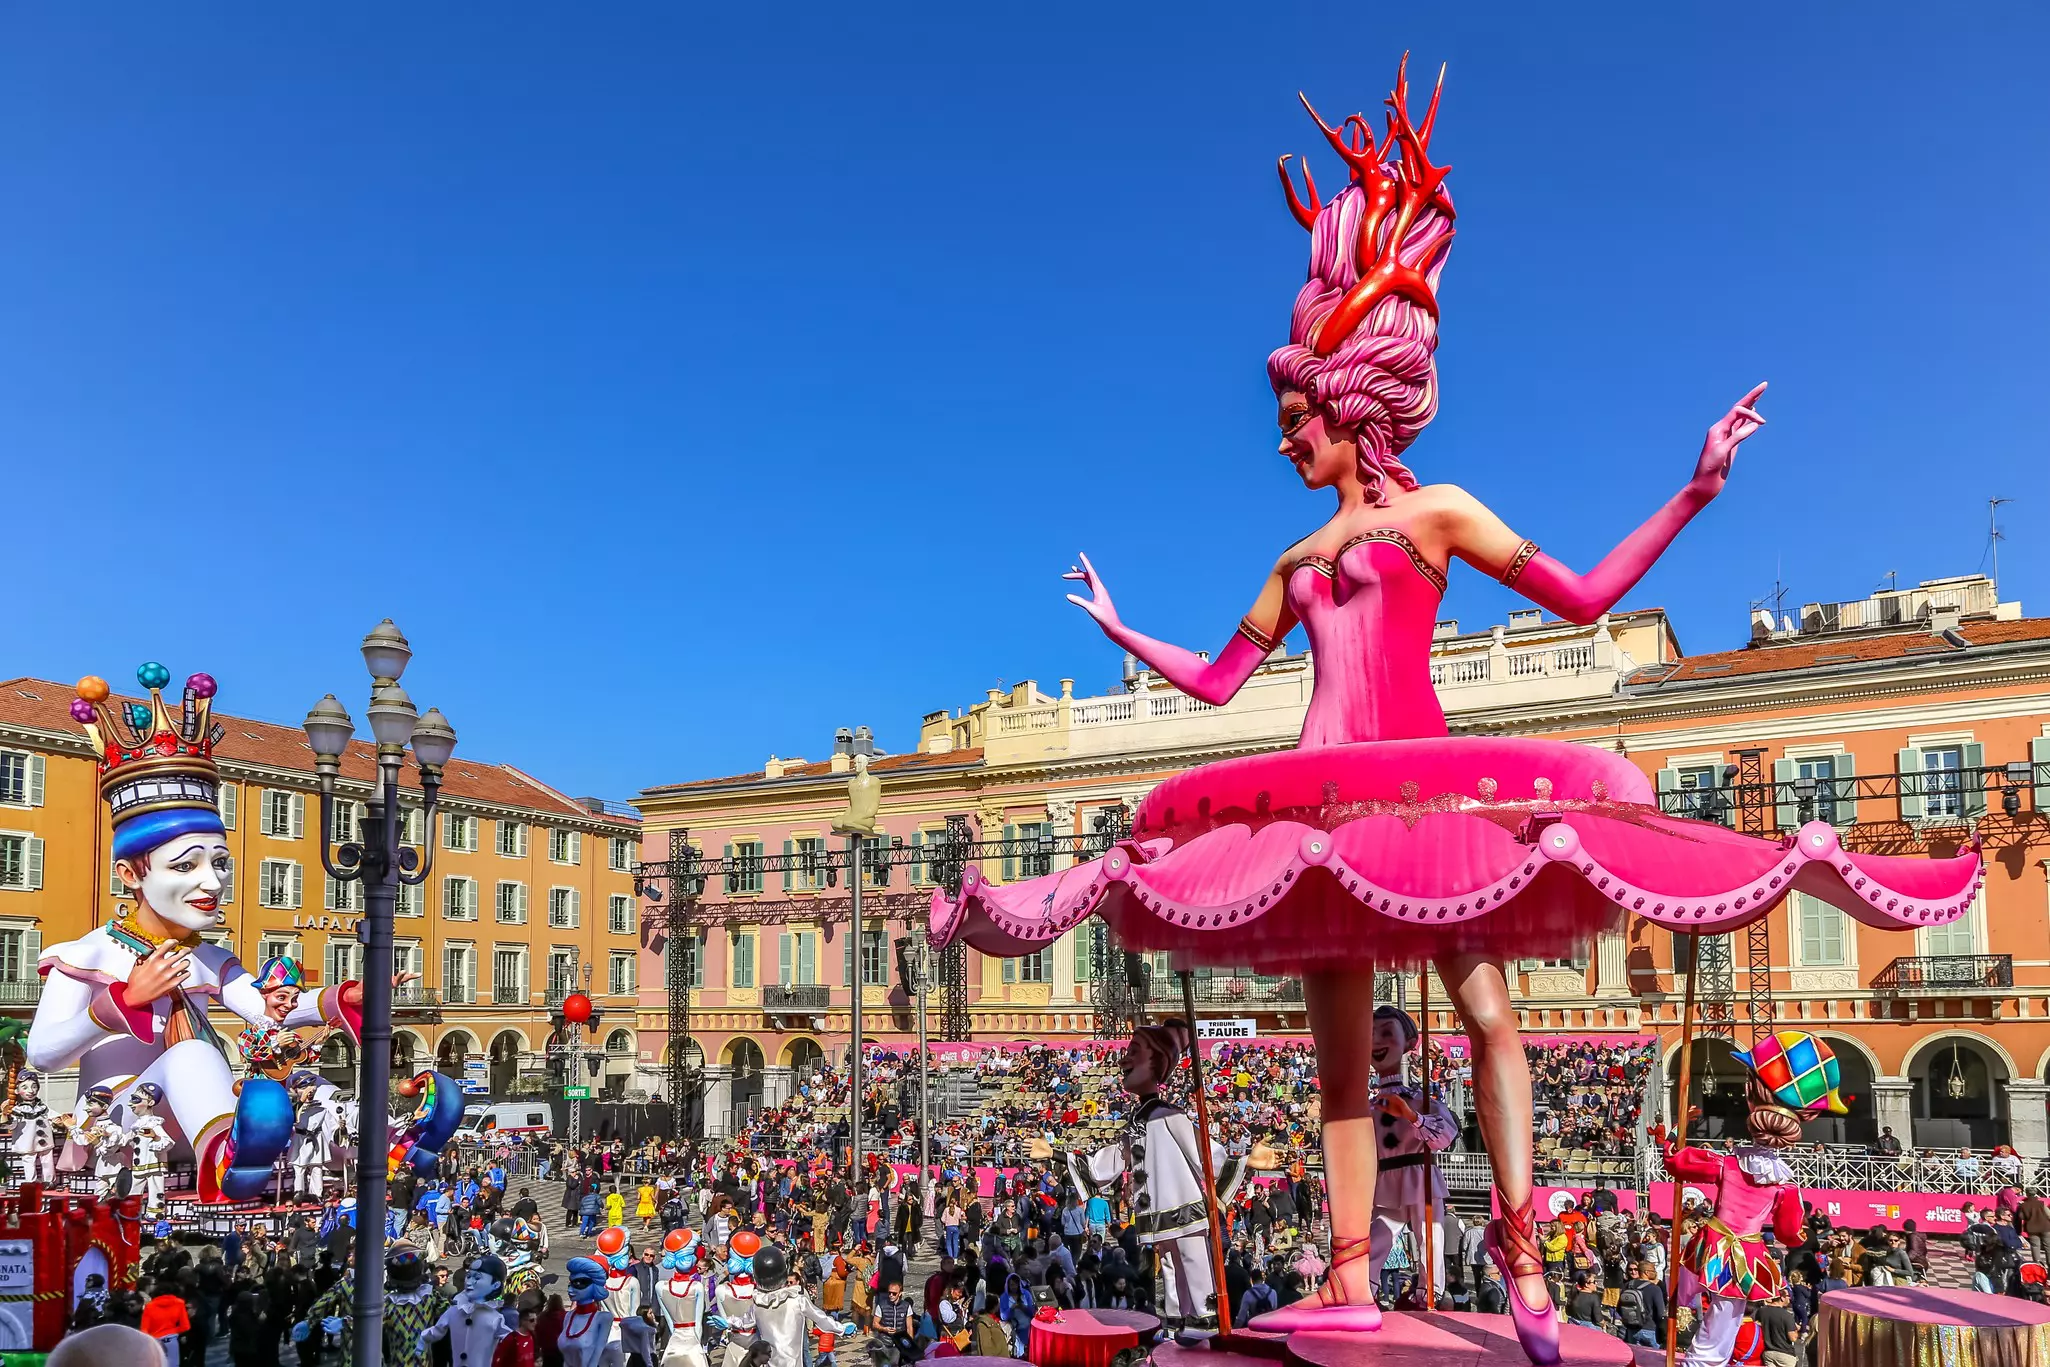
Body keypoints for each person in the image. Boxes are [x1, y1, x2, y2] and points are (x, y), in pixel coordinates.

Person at [926, 60, 1973, 1367]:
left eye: (1292, 417)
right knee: (1340, 1068)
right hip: (1312, 810)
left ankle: (1524, 1264)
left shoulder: (1438, 513)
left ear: (1346, 404)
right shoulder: (1293, 562)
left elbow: (1584, 596)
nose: (1280, 441)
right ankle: (1354, 1275)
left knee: (1486, 1015)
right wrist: (1118, 625)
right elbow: (1209, 684)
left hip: (1425, 806)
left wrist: (1693, 490)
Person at [31, 668, 373, 1200]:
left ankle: (377, 1138)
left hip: (196, 1124)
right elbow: (43, 1054)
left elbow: (267, 1009)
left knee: (287, 1078)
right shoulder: (89, 953)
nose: (211, 882)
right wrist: (121, 1001)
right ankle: (227, 1160)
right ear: (131, 875)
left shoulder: (209, 958)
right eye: (186, 866)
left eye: (219, 863)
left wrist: (339, 997)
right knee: (191, 1057)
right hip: (117, 1126)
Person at [1031, 1021, 1278, 1338]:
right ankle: (1178, 1320)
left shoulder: (1169, 1114)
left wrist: (1242, 1161)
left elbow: (1202, 1150)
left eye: (1134, 1052)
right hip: (1157, 1214)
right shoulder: (1135, 1121)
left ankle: (1204, 1318)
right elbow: (1108, 1161)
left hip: (1184, 1207)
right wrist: (1056, 1153)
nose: (1124, 1060)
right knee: (1171, 1266)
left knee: (1192, 1259)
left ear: (1157, 1062)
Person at [1661, 1032, 1847, 1367]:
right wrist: (1805, 1237)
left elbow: (1676, 1161)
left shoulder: (1727, 1164)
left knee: (1700, 1298)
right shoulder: (1786, 1185)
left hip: (1711, 1243)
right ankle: (1701, 1361)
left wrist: (1677, 1129)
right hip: (1745, 1253)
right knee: (1726, 1314)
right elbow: (1790, 1232)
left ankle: (1695, 1343)